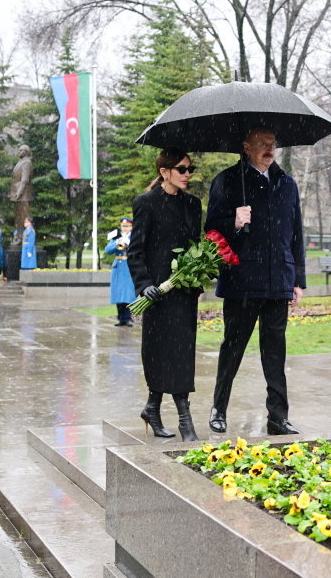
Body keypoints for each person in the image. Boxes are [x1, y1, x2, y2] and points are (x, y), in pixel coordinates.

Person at [204, 127, 306, 436]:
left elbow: (296, 234)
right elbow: (211, 229)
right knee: (232, 349)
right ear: (246, 147)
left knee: (275, 353)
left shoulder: (287, 185)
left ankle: (278, 417)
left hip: (278, 282)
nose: (269, 149)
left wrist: (297, 279)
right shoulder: (227, 181)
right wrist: (233, 221)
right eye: (262, 144)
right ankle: (218, 409)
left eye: (272, 144)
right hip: (242, 281)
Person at [128, 148, 201, 442]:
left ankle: (152, 409)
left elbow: (196, 245)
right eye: (181, 169)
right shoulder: (146, 204)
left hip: (184, 292)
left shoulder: (193, 205)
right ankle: (186, 422)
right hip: (158, 293)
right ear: (164, 172)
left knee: (182, 353)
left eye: (189, 169)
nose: (187, 174)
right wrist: (145, 284)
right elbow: (136, 251)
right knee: (160, 353)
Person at [105, 217, 137, 327]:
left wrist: (128, 242)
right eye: (123, 226)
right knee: (118, 294)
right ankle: (120, 318)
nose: (125, 228)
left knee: (128, 294)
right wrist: (118, 243)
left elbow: (138, 249)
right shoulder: (116, 237)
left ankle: (128, 318)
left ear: (131, 227)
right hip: (118, 267)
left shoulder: (134, 236)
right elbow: (108, 250)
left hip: (128, 267)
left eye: (127, 226)